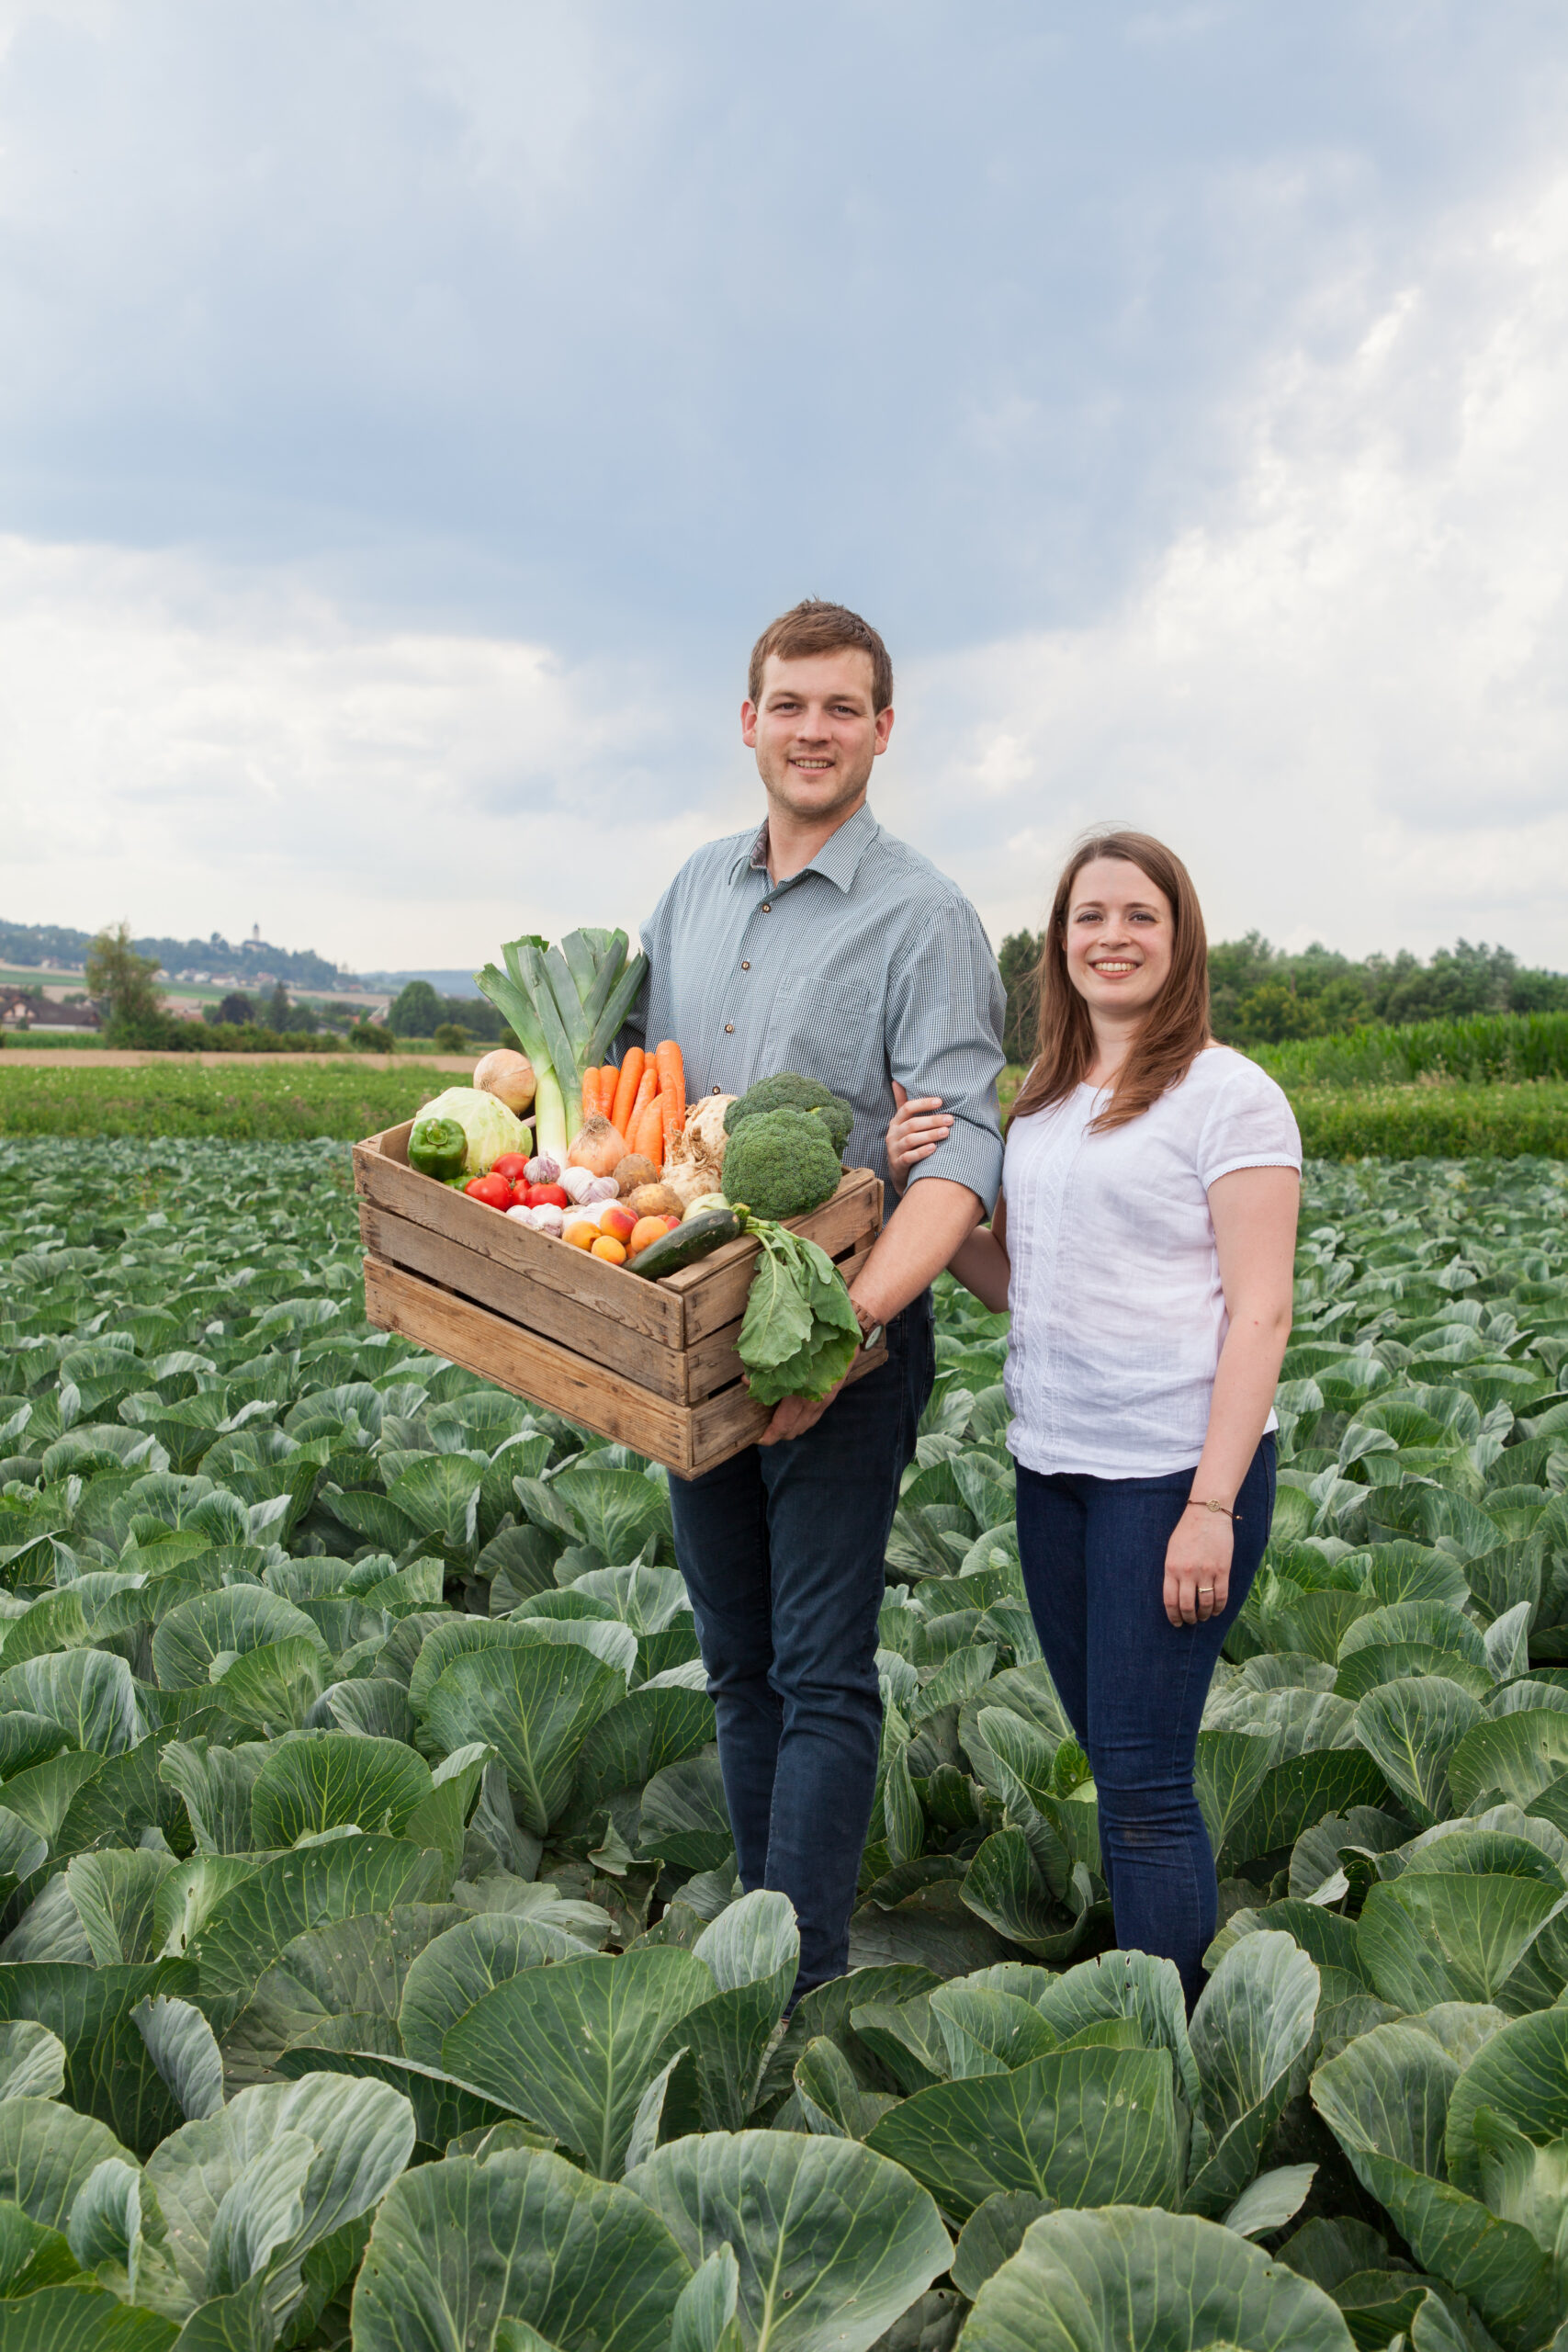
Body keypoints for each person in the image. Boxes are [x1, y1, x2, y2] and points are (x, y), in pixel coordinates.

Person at [623, 598, 1005, 1997]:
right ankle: (751, 1960)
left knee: (820, 1668)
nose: (813, 731)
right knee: (737, 1666)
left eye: (842, 707)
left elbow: (963, 1150)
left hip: (844, 1338)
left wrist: (847, 1333)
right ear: (749, 721)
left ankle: (804, 1982)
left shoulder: (924, 916)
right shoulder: (691, 891)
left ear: (882, 730)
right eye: (789, 704)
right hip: (698, 1341)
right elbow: (618, 1096)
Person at [886, 830, 1300, 2005]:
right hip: (1055, 1468)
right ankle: (1155, 2003)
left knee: (1147, 1780)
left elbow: (1262, 1313)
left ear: (1180, 940)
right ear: (1059, 943)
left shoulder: (1229, 1095)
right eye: (1089, 917)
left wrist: (1212, 1505)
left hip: (1170, 1476)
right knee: (1120, 1768)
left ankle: (1169, 2040)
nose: (1112, 937)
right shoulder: (1046, 1102)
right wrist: (923, 1192)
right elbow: (1015, 1282)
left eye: (1139, 916)